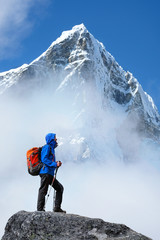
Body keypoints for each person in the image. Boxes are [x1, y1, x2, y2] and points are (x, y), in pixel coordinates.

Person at [37, 133, 66, 213]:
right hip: (45, 172)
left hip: (49, 173)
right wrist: (55, 164)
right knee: (43, 190)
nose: (56, 139)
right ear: (51, 139)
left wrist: (56, 163)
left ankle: (57, 207)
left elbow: (48, 160)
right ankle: (40, 210)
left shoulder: (51, 148)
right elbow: (44, 159)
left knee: (59, 188)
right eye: (55, 138)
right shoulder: (47, 147)